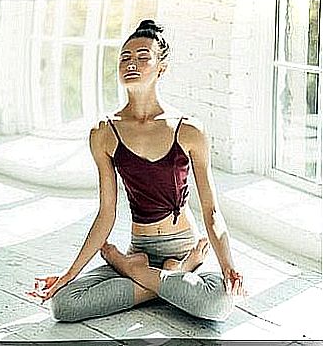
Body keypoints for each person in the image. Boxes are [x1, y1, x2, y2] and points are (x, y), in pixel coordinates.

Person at [26, 19, 245, 322]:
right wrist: (69, 273)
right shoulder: (104, 132)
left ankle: (140, 269)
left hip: (183, 246)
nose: (132, 63)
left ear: (161, 67)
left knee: (218, 304)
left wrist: (227, 264)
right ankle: (169, 277)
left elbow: (211, 211)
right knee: (64, 304)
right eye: (125, 58)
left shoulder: (189, 130)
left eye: (143, 57)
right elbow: (106, 212)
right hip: (140, 245)